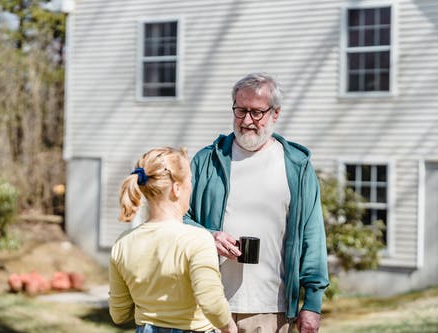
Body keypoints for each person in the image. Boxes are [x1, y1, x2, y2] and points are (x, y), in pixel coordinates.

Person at [184, 73, 329, 333]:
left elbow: (312, 235)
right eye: (240, 111)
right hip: (209, 306)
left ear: (275, 113)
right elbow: (178, 219)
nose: (247, 120)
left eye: (256, 112)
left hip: (271, 309)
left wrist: (313, 303)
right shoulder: (206, 161)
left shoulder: (297, 165)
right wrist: (209, 237)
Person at [109, 147, 238, 333]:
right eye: (190, 182)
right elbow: (211, 303)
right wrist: (230, 329)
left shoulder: (122, 244)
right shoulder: (198, 239)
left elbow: (119, 313)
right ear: (177, 189)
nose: (191, 188)